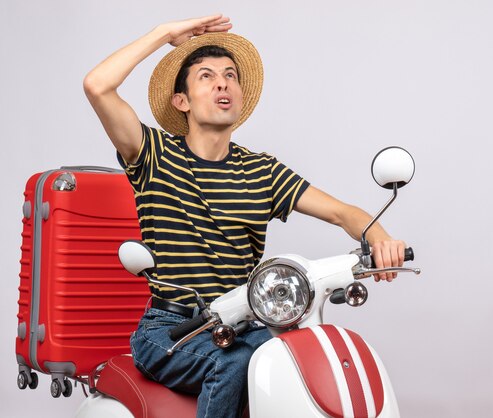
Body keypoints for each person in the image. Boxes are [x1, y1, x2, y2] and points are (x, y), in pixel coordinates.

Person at [84, 14, 406, 418]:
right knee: (233, 364)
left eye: (231, 75)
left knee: (303, 354)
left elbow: (342, 212)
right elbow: (98, 85)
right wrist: (165, 34)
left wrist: (379, 236)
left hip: (244, 323)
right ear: (180, 101)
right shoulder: (154, 155)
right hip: (169, 329)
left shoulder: (261, 171)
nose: (223, 82)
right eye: (206, 76)